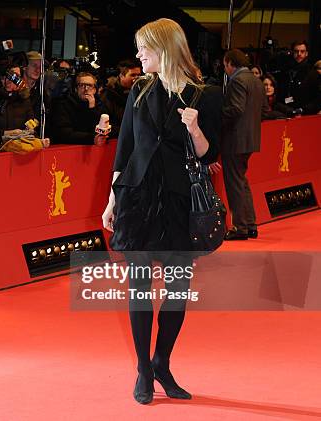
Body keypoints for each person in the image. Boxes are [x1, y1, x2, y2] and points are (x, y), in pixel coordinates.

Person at [101, 18, 222, 404]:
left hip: (178, 201)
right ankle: (142, 369)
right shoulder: (138, 89)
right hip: (136, 199)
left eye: (144, 48)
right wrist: (111, 200)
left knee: (176, 292)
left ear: (165, 49)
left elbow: (210, 155)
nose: (138, 55)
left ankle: (162, 363)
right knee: (138, 289)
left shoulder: (205, 95)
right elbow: (124, 150)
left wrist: (197, 129)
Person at [222, 49, 268, 240]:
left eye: (225, 66)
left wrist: (216, 114)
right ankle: (249, 224)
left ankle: (240, 228)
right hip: (250, 139)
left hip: (235, 140)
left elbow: (235, 109)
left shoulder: (237, 81)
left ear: (230, 63)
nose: (225, 70)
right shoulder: (257, 81)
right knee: (241, 181)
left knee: (235, 183)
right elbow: (265, 110)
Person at [51, 72, 108, 145]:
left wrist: (92, 109)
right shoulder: (64, 105)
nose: (86, 89)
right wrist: (91, 139)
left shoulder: (100, 105)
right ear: (76, 89)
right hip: (70, 149)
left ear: (94, 90)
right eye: (82, 85)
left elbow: (101, 130)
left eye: (90, 86)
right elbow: (64, 133)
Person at [101, 59, 142, 131]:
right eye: (133, 75)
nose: (137, 78)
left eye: (138, 75)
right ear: (121, 76)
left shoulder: (141, 92)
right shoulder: (108, 95)